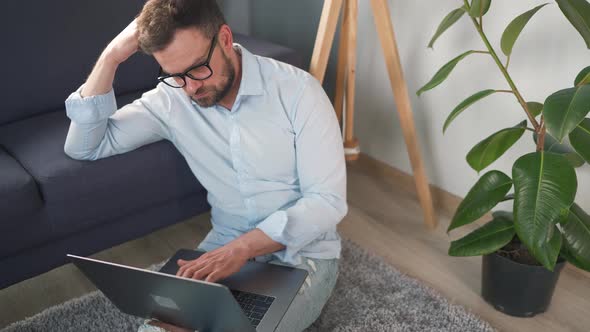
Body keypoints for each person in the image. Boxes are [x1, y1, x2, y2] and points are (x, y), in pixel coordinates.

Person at [64, 0, 347, 331]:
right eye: (175, 76)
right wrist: (112, 55)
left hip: (304, 254)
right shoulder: (172, 100)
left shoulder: (299, 92)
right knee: (156, 329)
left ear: (225, 38)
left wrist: (241, 249)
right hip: (223, 246)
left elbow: (326, 202)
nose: (191, 87)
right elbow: (85, 146)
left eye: (198, 68)